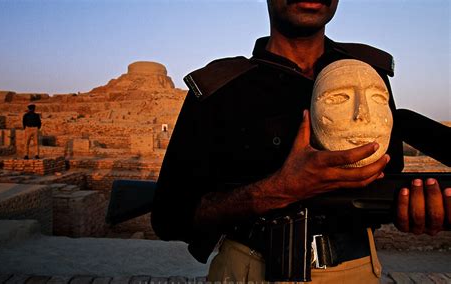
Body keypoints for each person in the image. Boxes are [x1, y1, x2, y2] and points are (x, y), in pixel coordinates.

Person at [151, 0, 450, 282]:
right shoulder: (220, 87)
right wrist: (274, 191)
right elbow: (169, 216)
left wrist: (418, 207)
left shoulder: (366, 76)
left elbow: (387, 182)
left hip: (355, 271)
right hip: (247, 271)